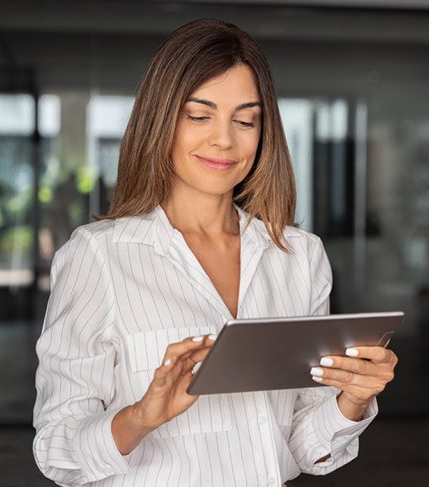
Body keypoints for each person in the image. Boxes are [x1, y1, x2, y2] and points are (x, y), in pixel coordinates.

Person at [32, 18, 398, 486]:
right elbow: (57, 450)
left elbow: (303, 447)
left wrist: (354, 399)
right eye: (199, 115)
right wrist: (141, 416)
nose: (225, 139)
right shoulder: (99, 255)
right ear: (161, 119)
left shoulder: (299, 256)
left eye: (245, 120)